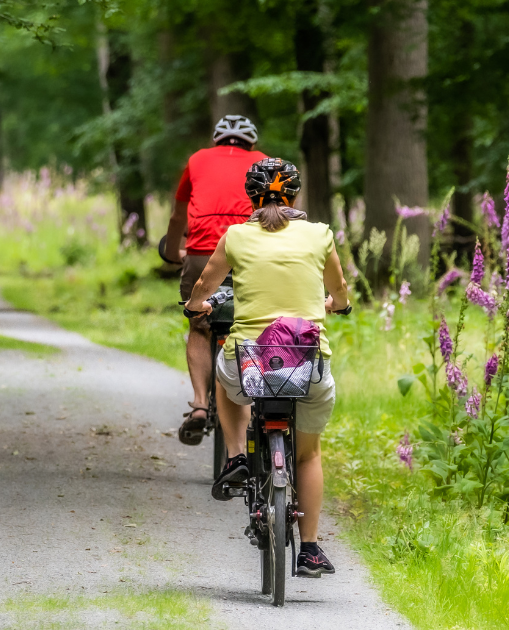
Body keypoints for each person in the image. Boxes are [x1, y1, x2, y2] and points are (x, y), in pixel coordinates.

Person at [184, 157, 351, 578]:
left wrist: (196, 305)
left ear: (251, 197)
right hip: (307, 364)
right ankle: (309, 549)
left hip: (251, 364)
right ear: (295, 195)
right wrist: (337, 305)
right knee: (309, 455)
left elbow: (205, 284)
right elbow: (340, 290)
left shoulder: (237, 236)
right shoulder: (319, 235)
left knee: (224, 380)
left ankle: (236, 456)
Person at [163, 115, 268, 445]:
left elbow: (177, 215)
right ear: (251, 143)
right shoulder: (265, 162)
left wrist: (172, 251)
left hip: (201, 251)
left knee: (200, 324)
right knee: (257, 323)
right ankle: (260, 396)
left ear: (216, 140)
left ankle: (199, 404)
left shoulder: (197, 160)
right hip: (252, 250)